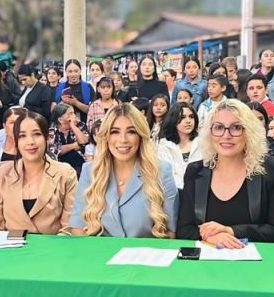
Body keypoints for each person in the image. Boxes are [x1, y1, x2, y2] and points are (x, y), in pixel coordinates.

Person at [178, 99, 274, 245]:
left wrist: (231, 231)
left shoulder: (270, 169)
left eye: (236, 127)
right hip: (208, 256)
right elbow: (184, 230)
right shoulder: (194, 171)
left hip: (253, 258)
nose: (226, 135)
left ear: (249, 132)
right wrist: (209, 237)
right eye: (218, 127)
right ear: (209, 133)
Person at [69, 103, 178, 238]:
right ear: (105, 136)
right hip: (98, 251)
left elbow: (170, 232)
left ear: (141, 135)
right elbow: (78, 227)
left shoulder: (162, 171)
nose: (123, 140)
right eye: (115, 132)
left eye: (131, 132)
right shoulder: (89, 171)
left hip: (146, 251)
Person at [0, 112, 78, 235]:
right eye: (22, 136)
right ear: (16, 141)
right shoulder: (3, 173)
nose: (30, 141)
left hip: (55, 245)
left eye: (37, 134)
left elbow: (70, 227)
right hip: (12, 246)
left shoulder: (66, 174)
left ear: (47, 138)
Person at [156, 102, 200, 189]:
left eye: (191, 117)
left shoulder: (202, 143)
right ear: (173, 120)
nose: (188, 121)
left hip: (199, 191)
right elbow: (167, 176)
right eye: (182, 117)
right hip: (175, 192)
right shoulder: (164, 145)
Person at [48, 102, 89, 177]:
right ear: (60, 120)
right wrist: (74, 145)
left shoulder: (80, 125)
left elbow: (84, 141)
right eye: (70, 114)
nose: (74, 116)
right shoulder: (52, 131)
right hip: (60, 168)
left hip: (81, 165)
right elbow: (55, 151)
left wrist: (73, 126)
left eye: (74, 113)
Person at [54, 59, 95, 124]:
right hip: (63, 125)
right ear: (66, 72)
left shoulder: (88, 87)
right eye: (70, 71)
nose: (73, 74)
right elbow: (54, 111)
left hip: (83, 124)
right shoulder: (59, 87)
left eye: (76, 71)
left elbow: (93, 111)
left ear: (80, 71)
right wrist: (62, 102)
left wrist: (76, 103)